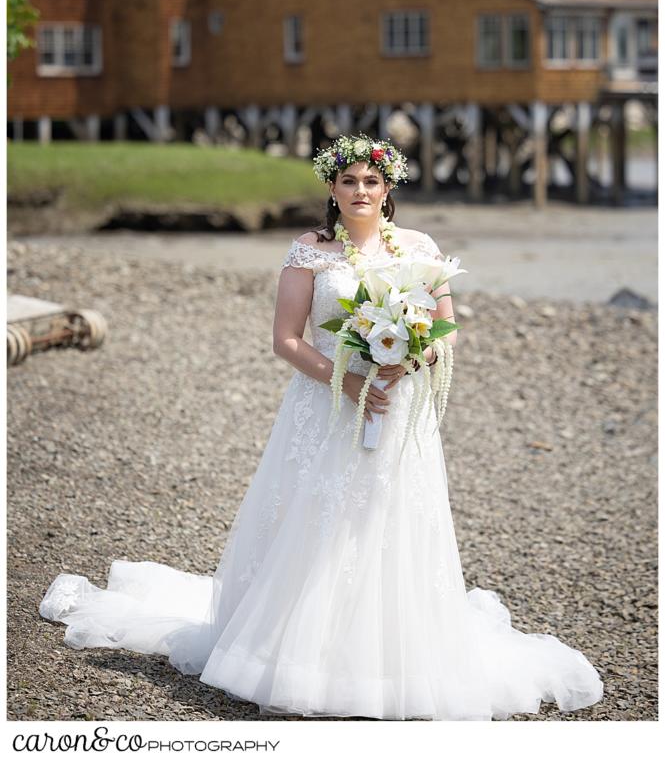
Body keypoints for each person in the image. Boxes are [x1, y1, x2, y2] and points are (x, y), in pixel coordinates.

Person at [38, 133, 603, 720]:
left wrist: (416, 356)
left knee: (391, 516)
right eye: (349, 181)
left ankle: (394, 656)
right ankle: (296, 650)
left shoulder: (420, 247)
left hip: (398, 403)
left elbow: (447, 330)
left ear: (388, 189)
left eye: (372, 181)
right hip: (327, 404)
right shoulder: (311, 251)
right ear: (332, 189)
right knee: (319, 516)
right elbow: (285, 340)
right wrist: (350, 381)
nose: (361, 191)